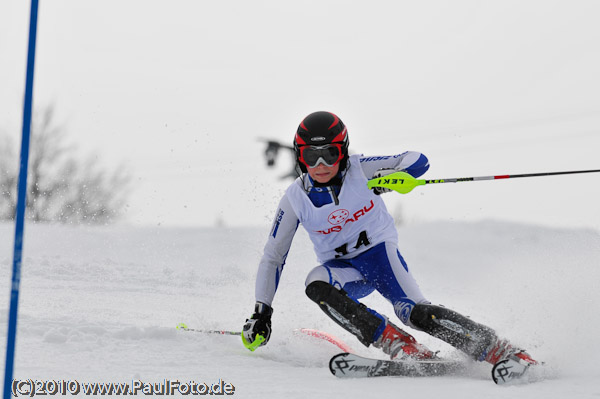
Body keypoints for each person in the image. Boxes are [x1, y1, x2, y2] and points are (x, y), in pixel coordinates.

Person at [242, 111, 537, 366]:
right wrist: (262, 312)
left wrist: (394, 175)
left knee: (415, 313)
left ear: (343, 151)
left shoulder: (361, 169)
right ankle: (398, 344)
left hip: (379, 257)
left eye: (330, 153)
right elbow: (273, 256)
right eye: (310, 155)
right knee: (315, 283)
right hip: (345, 272)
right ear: (299, 156)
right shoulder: (294, 198)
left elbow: (417, 161)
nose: (320, 164)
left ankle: (500, 349)